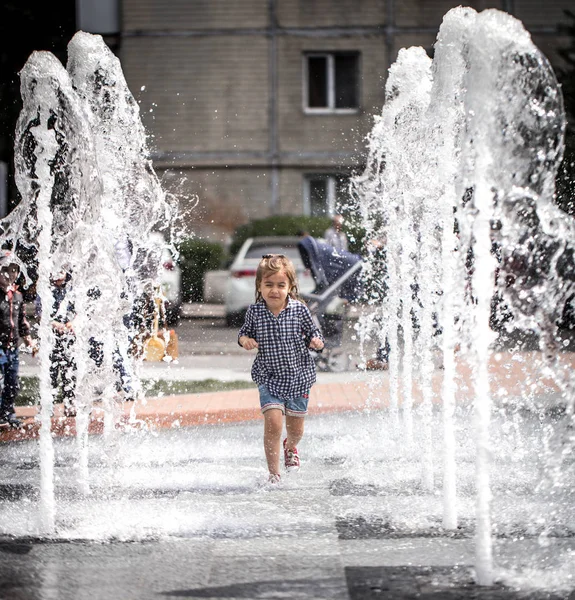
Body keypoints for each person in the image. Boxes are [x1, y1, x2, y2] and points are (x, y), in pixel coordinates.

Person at [238, 254, 324, 484]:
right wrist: (245, 340)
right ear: (259, 286)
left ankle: (291, 446)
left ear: (290, 286)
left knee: (296, 430)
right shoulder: (255, 312)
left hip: (299, 377)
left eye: (280, 285)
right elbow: (243, 333)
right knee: (274, 423)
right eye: (268, 285)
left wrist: (316, 341)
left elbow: (315, 333)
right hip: (269, 376)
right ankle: (273, 474)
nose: (274, 290)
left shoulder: (299, 310)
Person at [0, 253, 38, 427]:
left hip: (12, 347)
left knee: (12, 383)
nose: (11, 274)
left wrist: (30, 341)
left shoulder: (18, 296)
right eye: (6, 270)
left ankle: (7, 413)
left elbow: (22, 321)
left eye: (14, 270)